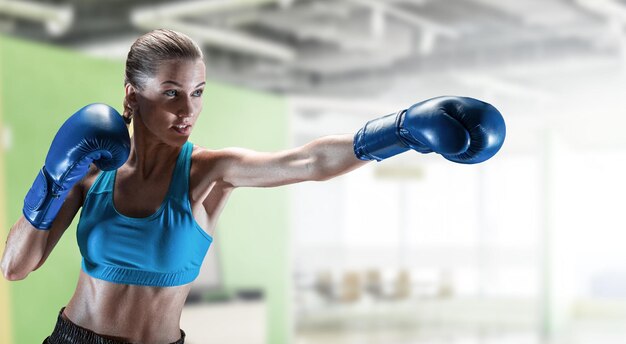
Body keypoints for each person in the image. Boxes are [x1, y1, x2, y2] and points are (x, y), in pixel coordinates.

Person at [0, 29, 506, 344]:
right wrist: (53, 177)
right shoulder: (91, 171)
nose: (188, 110)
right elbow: (14, 266)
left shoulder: (209, 173)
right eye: (171, 93)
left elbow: (307, 161)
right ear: (133, 95)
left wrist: (398, 131)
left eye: (197, 93)